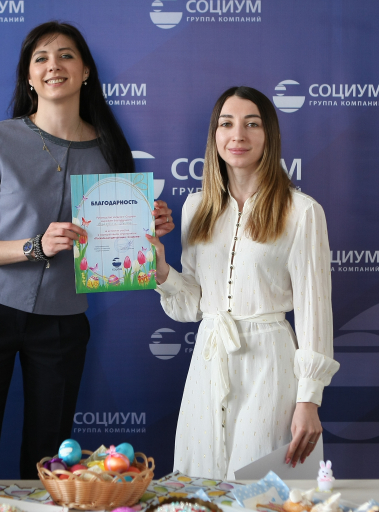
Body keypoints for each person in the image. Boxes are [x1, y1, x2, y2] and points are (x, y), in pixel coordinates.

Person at [0, 21, 174, 479]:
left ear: (85, 71)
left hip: (61, 324)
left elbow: (118, 251)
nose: (54, 65)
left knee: (48, 461)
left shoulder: (110, 152)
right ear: (29, 77)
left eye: (66, 55)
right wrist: (35, 246)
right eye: (42, 58)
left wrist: (148, 230)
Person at [145, 86, 339, 479]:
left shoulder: (302, 212)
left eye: (252, 124)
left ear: (269, 135)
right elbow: (192, 305)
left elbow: (314, 310)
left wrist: (309, 399)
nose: (238, 135)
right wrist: (161, 269)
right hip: (208, 361)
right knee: (201, 482)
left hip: (270, 364)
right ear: (214, 135)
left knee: (260, 488)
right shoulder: (196, 207)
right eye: (227, 123)